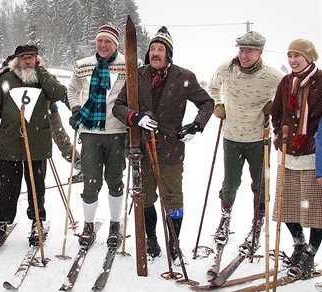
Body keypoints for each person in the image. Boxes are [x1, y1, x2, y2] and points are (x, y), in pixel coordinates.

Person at [113, 26, 214, 263]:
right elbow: (118, 106)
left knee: (173, 198)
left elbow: (206, 103)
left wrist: (195, 126)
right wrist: (135, 117)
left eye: (161, 49)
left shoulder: (184, 77)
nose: (155, 53)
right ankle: (151, 240)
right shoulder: (136, 75)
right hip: (141, 148)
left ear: (168, 53)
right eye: (152, 49)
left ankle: (174, 242)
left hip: (171, 147)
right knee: (146, 198)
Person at [206, 31, 283, 252]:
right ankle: (225, 220)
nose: (244, 55)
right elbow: (212, 88)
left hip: (259, 139)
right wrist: (217, 105)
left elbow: (286, 98)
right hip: (231, 137)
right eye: (241, 49)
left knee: (260, 186)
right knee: (230, 184)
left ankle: (257, 227)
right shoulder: (226, 69)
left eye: (249, 50)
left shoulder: (272, 76)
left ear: (260, 52)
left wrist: (273, 108)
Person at [0, 44, 65, 247]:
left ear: (37, 59)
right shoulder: (6, 80)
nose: (27, 61)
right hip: (9, 142)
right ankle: (1, 223)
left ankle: (37, 223)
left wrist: (42, 70)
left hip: (37, 143)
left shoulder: (43, 79)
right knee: (7, 188)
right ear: (16, 60)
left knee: (36, 187)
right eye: (23, 58)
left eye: (31, 57)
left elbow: (58, 93)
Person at [67, 22, 129, 250]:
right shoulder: (83, 65)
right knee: (91, 182)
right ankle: (88, 225)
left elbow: (136, 93)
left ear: (116, 44)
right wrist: (75, 110)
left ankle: (115, 224)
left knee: (115, 180)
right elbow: (71, 89)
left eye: (108, 41)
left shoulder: (127, 64)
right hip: (90, 133)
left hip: (116, 132)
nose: (103, 45)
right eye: (99, 41)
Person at [271, 39, 322, 279]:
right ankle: (299, 244)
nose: (292, 60)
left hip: (313, 154)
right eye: (290, 55)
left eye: (297, 56)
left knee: (314, 211)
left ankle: (311, 254)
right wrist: (277, 132)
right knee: (288, 207)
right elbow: (277, 111)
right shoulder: (285, 82)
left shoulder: (321, 82)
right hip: (288, 154)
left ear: (309, 57)